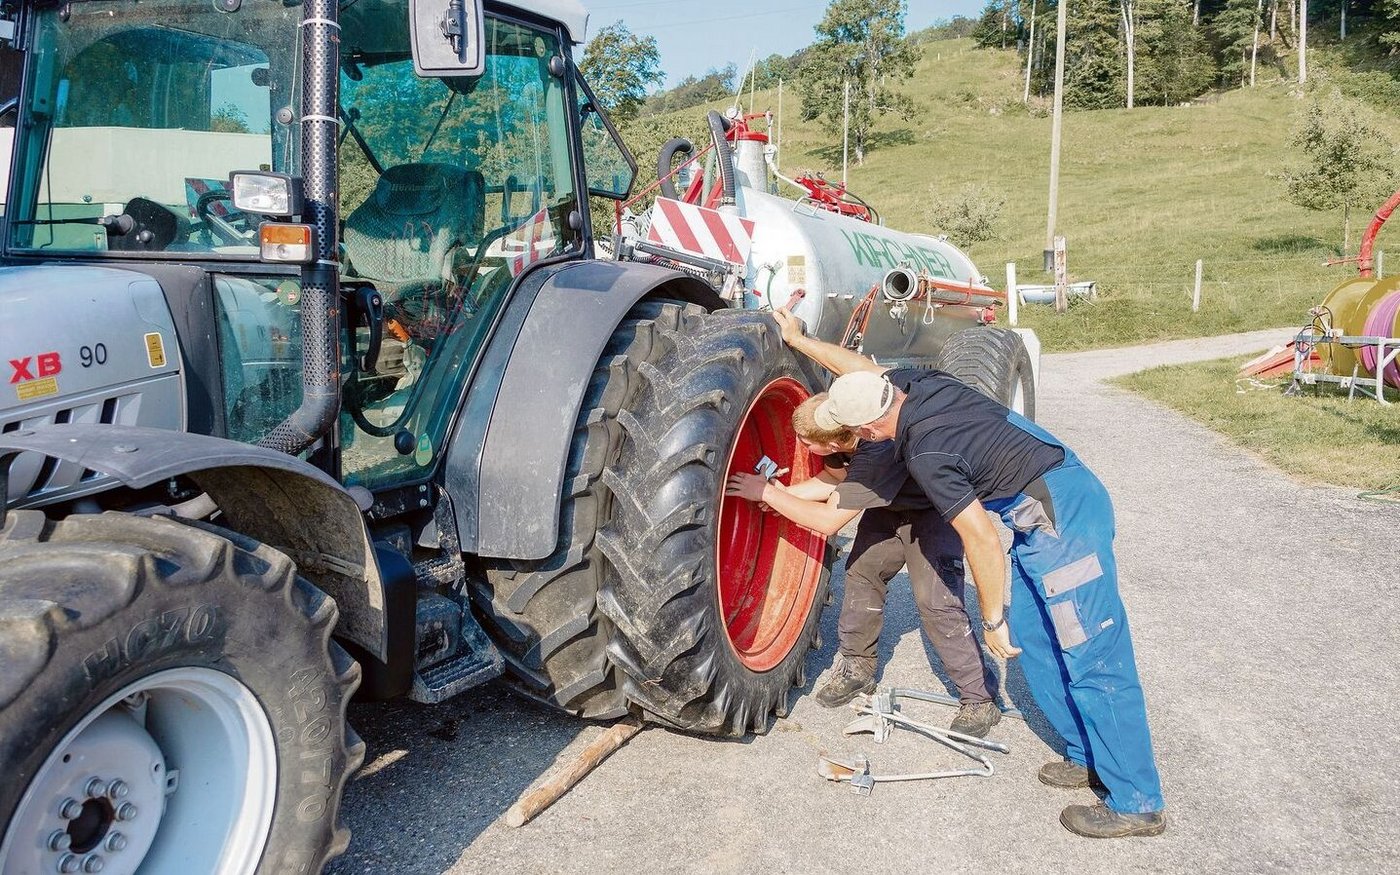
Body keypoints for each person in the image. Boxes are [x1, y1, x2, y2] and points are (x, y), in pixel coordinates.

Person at [773, 309, 1166, 840]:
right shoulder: (910, 383)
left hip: (1064, 514)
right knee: (1039, 642)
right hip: (1035, 517)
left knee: (1091, 654)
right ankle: (1088, 755)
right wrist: (799, 339)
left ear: (865, 428)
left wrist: (992, 616)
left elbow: (979, 538)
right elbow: (857, 364)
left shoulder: (927, 451)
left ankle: (1136, 801)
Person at [724, 394, 1002, 738]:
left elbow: (828, 522)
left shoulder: (876, 454)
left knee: (936, 601)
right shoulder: (840, 440)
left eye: (806, 441)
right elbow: (834, 479)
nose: (800, 445)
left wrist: (768, 495)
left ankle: (979, 698)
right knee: (861, 573)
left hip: (931, 512)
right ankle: (858, 667)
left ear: (836, 440)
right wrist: (786, 494)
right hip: (887, 507)